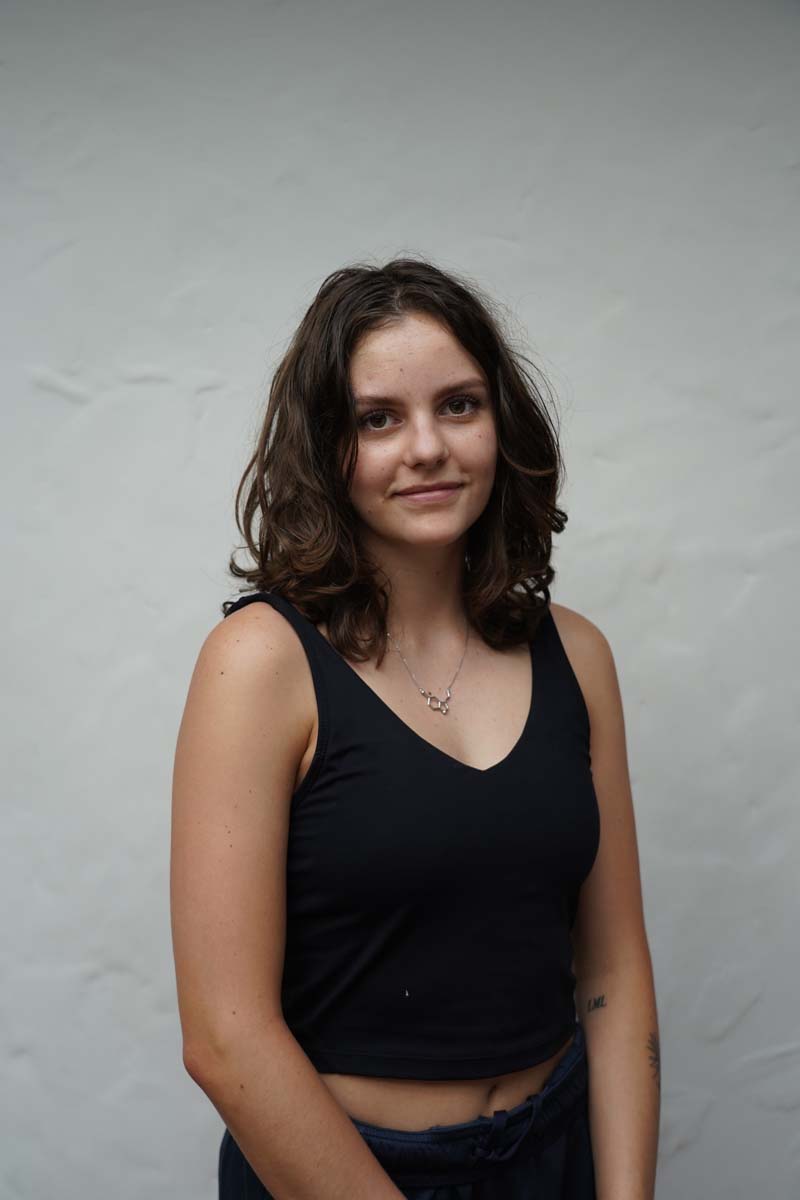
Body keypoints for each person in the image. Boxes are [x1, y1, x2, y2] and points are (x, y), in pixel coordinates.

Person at [170, 256, 660, 1199]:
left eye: (461, 405)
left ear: (501, 425)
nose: (427, 447)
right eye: (378, 418)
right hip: (347, 1174)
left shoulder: (578, 655)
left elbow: (613, 968)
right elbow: (225, 1038)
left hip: (555, 1152)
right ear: (324, 447)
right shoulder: (261, 665)